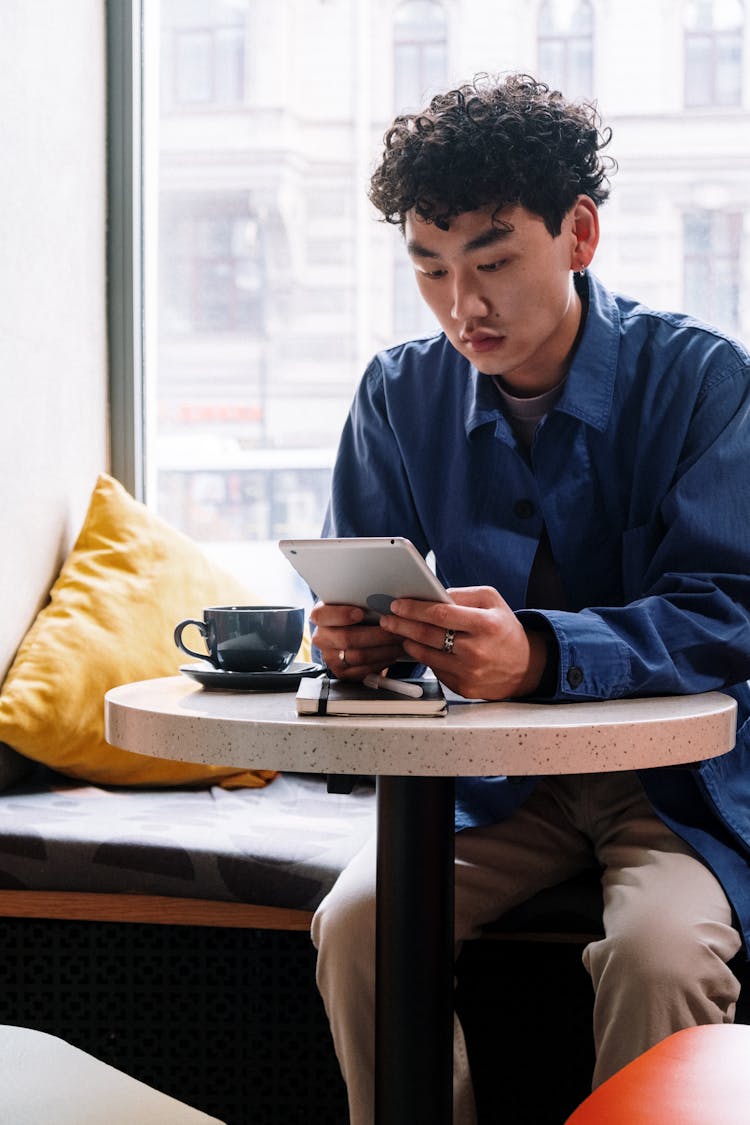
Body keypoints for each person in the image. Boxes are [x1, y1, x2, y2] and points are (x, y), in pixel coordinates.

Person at [309, 73, 750, 1125]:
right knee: (357, 926)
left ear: (580, 234)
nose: (463, 305)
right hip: (493, 778)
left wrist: (543, 655)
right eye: (431, 267)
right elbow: (363, 580)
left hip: (683, 787)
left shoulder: (704, 379)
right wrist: (360, 643)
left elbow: (732, 610)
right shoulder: (395, 394)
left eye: (494, 261)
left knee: (659, 958)